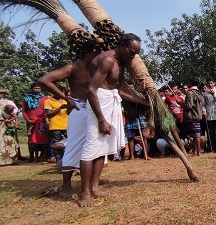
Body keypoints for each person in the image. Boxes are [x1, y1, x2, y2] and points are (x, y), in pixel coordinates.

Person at [78, 33, 149, 207]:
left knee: (103, 148)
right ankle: (84, 193)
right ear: (123, 46)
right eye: (131, 52)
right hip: (99, 105)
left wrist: (145, 102)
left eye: (135, 54)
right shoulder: (107, 60)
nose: (133, 56)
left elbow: (121, 92)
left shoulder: (120, 64)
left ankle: (94, 187)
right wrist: (101, 119)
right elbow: (91, 90)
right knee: (91, 147)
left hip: (111, 102)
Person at [38, 40, 99, 198]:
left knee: (94, 145)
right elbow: (44, 80)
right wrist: (65, 98)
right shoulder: (73, 68)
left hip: (95, 109)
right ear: (87, 53)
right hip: (79, 109)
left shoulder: (98, 68)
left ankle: (93, 185)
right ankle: (66, 186)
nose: (99, 55)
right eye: (95, 52)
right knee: (74, 144)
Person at [22, 82, 50, 162]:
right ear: (31, 89)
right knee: (31, 139)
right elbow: (24, 110)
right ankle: (31, 156)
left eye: (39, 88)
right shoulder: (26, 98)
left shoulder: (45, 98)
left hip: (42, 122)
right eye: (35, 88)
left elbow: (46, 109)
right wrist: (28, 119)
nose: (37, 90)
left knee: (43, 138)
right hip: (31, 121)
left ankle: (43, 156)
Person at [44, 85, 69, 163]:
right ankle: (59, 161)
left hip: (67, 125)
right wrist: (59, 108)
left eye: (62, 91)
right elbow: (48, 114)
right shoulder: (48, 101)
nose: (60, 93)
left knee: (68, 143)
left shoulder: (66, 100)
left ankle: (68, 160)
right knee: (56, 145)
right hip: (55, 126)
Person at [182, 77, 205, 157]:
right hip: (198, 115)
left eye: (188, 82)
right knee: (196, 134)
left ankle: (198, 152)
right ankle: (196, 151)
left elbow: (189, 105)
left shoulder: (190, 93)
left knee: (196, 135)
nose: (187, 83)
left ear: (191, 83)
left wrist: (180, 104)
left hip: (192, 116)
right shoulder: (199, 92)